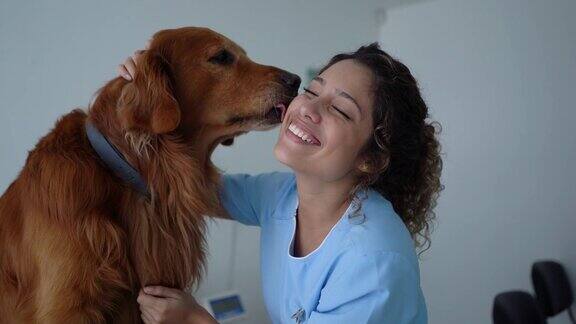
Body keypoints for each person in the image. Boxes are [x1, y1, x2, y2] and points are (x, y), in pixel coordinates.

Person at [119, 42, 443, 324]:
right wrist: (155, 84)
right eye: (312, 91)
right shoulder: (282, 197)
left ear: (371, 158)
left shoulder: (372, 262)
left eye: (340, 110)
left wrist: (194, 320)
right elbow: (187, 190)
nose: (307, 109)